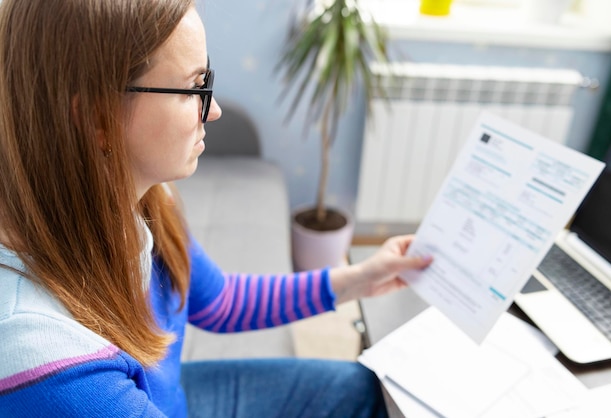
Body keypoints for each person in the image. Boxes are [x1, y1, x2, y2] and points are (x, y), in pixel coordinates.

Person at [0, 0, 433, 417]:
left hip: (174, 399)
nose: (216, 109)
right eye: (193, 88)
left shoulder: (140, 192)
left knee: (367, 389)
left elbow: (220, 300)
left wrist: (360, 279)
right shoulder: (44, 358)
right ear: (97, 117)